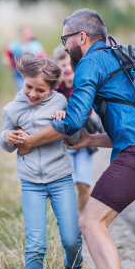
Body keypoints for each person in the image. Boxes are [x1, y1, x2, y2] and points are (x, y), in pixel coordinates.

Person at [16, 9, 135, 269]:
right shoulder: (125, 56)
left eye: (66, 39)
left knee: (90, 221)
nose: (64, 46)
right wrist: (89, 140)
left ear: (81, 37)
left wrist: (31, 141)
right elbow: (134, 129)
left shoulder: (89, 63)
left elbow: (72, 120)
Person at [0, 52, 89, 269]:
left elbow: (74, 137)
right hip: (30, 183)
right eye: (29, 87)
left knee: (71, 239)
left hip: (60, 178)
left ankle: (74, 268)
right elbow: (7, 145)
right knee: (36, 245)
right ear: (23, 79)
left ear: (52, 89)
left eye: (40, 91)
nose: (33, 94)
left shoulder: (61, 103)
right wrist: (5, 137)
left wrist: (64, 121)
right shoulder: (12, 109)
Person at [52, 45, 104, 212]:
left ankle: (84, 219)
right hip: (62, 140)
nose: (66, 69)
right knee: (66, 184)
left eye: (69, 64)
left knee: (83, 184)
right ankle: (69, 219)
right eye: (62, 65)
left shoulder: (83, 86)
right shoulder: (55, 91)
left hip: (83, 137)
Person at [3, 26, 45, 91]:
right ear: (20, 34)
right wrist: (7, 60)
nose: (25, 36)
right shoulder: (15, 45)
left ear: (31, 34)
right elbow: (7, 51)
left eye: (27, 33)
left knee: (31, 91)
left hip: (32, 74)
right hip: (18, 74)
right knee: (21, 91)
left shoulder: (35, 45)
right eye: (24, 33)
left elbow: (42, 58)